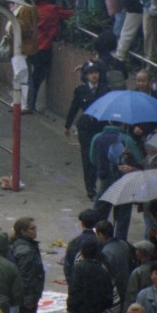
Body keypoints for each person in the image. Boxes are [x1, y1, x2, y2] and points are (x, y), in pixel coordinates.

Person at [65, 62, 110, 199]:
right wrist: (67, 125)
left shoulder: (105, 89)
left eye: (96, 72)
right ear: (86, 75)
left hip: (101, 126)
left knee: (101, 156)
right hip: (86, 127)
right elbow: (74, 107)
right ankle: (90, 188)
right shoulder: (81, 90)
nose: (94, 75)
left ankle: (102, 185)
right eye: (90, 73)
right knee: (87, 157)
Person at [66, 239, 116, 313]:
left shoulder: (78, 268)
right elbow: (108, 296)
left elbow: (74, 291)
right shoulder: (103, 271)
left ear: (82, 252)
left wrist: (70, 308)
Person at [9, 217, 44, 313]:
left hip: (22, 298)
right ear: (23, 231)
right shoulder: (25, 250)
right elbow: (26, 276)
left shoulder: (23, 245)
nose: (35, 231)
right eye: (32, 228)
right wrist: (29, 298)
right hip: (25, 300)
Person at [64, 208, 100, 283]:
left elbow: (68, 266)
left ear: (82, 223)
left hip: (77, 283)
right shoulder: (100, 242)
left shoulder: (74, 242)